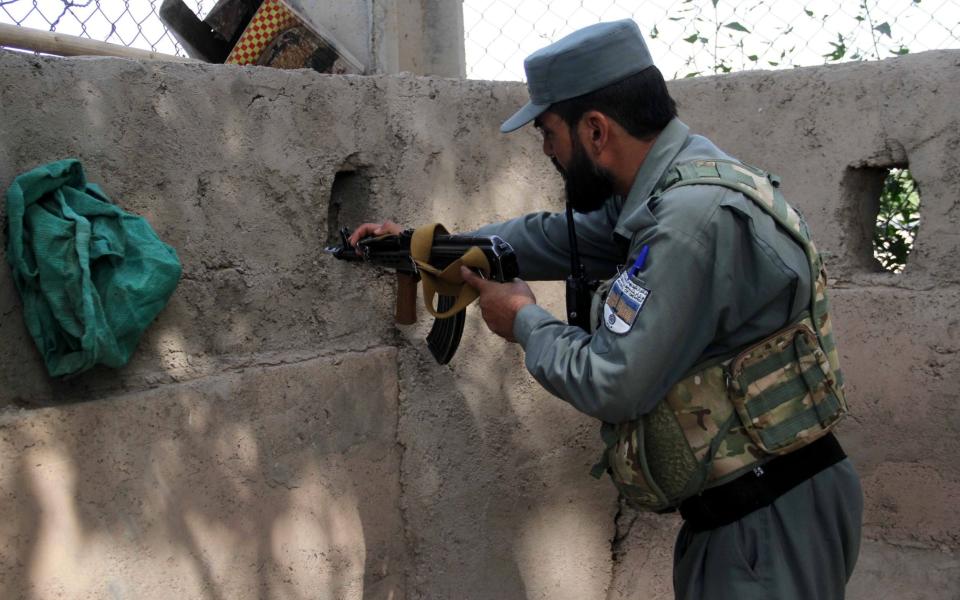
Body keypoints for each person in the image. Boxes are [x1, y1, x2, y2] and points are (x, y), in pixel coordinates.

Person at [350, 19, 862, 600]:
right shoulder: (669, 187)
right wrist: (428, 245)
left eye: (547, 132)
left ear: (595, 130)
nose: (545, 151)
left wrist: (523, 320)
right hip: (752, 507)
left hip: (765, 524)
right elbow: (546, 237)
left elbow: (613, 382)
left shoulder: (689, 222)